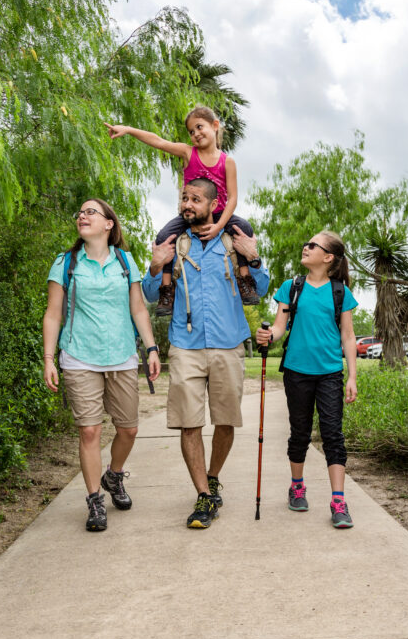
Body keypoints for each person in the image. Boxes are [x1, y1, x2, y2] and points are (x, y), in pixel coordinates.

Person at [142, 179, 269, 529]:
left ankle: (213, 477)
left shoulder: (234, 241)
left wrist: (253, 256)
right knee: (189, 422)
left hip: (228, 343)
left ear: (214, 204)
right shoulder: (174, 243)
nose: (187, 203)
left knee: (225, 421)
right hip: (185, 346)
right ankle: (203, 495)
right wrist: (155, 266)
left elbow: (261, 289)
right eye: (184, 198)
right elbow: (151, 295)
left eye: (195, 199)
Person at [43, 199, 161, 532]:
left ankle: (114, 475)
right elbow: (54, 314)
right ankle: (95, 501)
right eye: (79, 212)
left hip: (122, 355)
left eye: (90, 212)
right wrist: (49, 358)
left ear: (109, 224)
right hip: (79, 356)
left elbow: (138, 309)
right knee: (90, 430)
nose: (82, 216)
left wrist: (151, 348)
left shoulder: (125, 260)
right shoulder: (66, 263)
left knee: (129, 429)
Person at [104, 106, 259, 314]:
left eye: (199, 127)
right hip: (190, 214)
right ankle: (167, 290)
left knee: (244, 228)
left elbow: (233, 198)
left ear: (214, 126)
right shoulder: (188, 153)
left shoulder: (227, 162)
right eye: (191, 131)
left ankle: (245, 280)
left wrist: (219, 226)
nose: (195, 134)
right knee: (164, 237)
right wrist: (129, 130)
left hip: (219, 213)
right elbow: (159, 141)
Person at [256, 231, 358, 528]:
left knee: (332, 434)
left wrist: (352, 375)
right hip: (297, 371)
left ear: (328, 258)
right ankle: (297, 486)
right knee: (300, 432)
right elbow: (278, 328)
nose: (306, 246)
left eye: (313, 245)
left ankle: (338, 500)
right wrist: (268, 336)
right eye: (307, 243)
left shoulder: (340, 292)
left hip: (329, 372)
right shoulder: (291, 288)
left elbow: (348, 336)